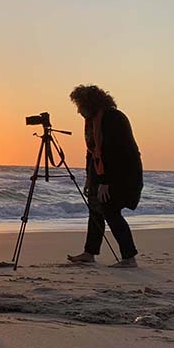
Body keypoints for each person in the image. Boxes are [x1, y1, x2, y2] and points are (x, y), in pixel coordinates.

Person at [67, 84, 143, 268]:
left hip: (123, 173)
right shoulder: (93, 121)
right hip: (101, 173)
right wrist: (90, 178)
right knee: (95, 210)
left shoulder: (113, 118)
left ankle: (129, 257)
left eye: (80, 105)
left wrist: (105, 182)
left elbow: (117, 152)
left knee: (110, 210)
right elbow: (92, 152)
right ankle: (89, 252)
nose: (78, 110)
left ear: (89, 103)